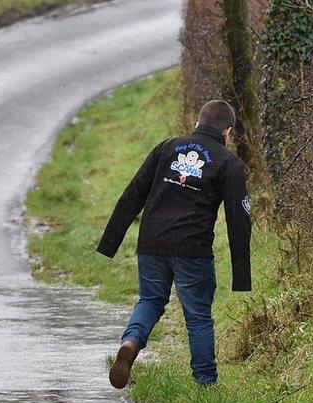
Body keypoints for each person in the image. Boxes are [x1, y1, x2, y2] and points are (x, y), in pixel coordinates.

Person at [96, 100, 251, 388]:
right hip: (193, 250)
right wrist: (241, 275)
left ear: (197, 122)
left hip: (151, 242)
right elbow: (238, 219)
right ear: (228, 132)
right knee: (198, 317)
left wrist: (109, 243)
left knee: (150, 301)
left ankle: (130, 343)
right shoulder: (229, 163)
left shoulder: (166, 147)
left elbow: (132, 195)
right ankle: (205, 384)